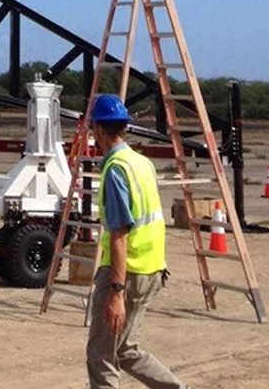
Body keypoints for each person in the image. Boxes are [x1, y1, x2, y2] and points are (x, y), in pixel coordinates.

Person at [87, 92, 190, 389]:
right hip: (152, 268)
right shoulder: (141, 162)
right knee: (125, 349)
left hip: (126, 273)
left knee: (101, 354)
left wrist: (116, 292)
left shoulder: (115, 169)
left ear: (98, 129)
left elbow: (119, 232)